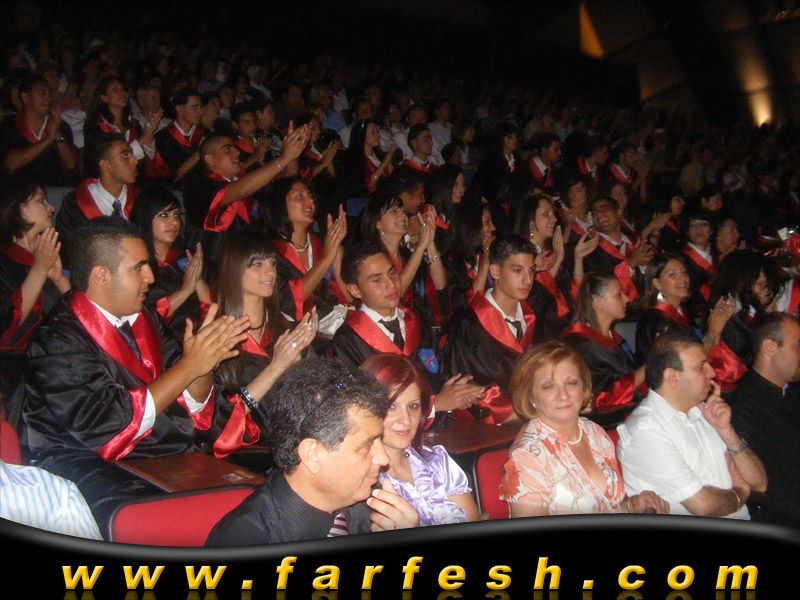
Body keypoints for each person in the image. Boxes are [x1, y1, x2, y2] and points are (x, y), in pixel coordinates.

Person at [206, 358, 420, 545]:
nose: (383, 458)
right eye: (366, 445)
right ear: (312, 455)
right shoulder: (249, 540)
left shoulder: (373, 508)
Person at [499, 341, 668, 516]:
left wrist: (632, 505)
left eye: (571, 383)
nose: (563, 395)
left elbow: (607, 507)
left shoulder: (594, 432)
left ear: (584, 388)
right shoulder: (527, 456)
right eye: (548, 386)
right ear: (531, 397)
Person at [617, 331, 767, 518]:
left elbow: (759, 483)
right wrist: (740, 494)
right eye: (701, 367)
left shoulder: (703, 413)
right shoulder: (646, 430)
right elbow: (702, 506)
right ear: (672, 377)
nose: (712, 373)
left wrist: (727, 433)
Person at [332, 242, 483, 414]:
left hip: (440, 424)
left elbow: (439, 371)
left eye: (392, 273)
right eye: (377, 280)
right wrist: (434, 406)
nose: (391, 284)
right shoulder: (347, 340)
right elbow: (357, 408)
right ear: (355, 290)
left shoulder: (416, 319)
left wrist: (457, 391)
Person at [211, 233, 318, 457]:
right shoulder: (218, 340)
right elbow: (221, 428)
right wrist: (276, 367)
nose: (270, 273)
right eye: (257, 265)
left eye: (272, 264)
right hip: (249, 458)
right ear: (234, 270)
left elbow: (317, 401)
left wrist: (298, 372)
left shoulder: (287, 332)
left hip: (300, 450)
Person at [360, 353, 480, 525]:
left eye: (413, 406)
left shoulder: (437, 462)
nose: (406, 420)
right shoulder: (361, 482)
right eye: (392, 406)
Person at [182, 125, 309, 275]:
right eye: (227, 149)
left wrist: (294, 152)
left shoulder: (247, 182)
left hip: (251, 262)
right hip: (213, 269)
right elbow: (240, 190)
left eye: (235, 148)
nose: (237, 152)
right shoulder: (199, 185)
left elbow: (288, 181)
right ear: (210, 160)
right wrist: (284, 158)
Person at [443, 235, 537, 423]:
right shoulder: (467, 324)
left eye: (531, 271)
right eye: (518, 271)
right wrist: (526, 413)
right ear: (495, 271)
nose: (527, 280)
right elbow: (465, 391)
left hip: (536, 417)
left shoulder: (533, 316)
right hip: (489, 428)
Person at [0, 181, 70, 422]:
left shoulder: (51, 257)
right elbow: (7, 328)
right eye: (41, 201)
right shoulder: (5, 263)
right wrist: (40, 268)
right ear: (19, 209)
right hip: (14, 382)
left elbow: (83, 319)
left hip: (55, 372)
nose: (51, 208)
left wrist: (60, 280)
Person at [729, 313, 800, 528]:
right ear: (769, 348)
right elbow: (765, 487)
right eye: (797, 347)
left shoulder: (791, 392)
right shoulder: (745, 406)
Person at [263, 176, 349, 326]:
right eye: (300, 197)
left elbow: (348, 297)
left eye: (310, 197)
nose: (310, 202)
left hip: (334, 323)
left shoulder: (323, 243)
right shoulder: (268, 251)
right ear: (280, 203)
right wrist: (326, 258)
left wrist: (337, 250)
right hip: (291, 329)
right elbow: (288, 301)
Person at [130, 185, 211, 342]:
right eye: (163, 215)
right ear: (146, 218)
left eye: (176, 215)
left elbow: (210, 306)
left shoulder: (185, 257)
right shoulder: (137, 266)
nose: (173, 222)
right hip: (164, 345)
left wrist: (196, 278)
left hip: (199, 337)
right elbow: (144, 320)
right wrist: (185, 290)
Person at [563, 272, 645, 411]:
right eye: (618, 294)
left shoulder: (614, 337)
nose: (626, 299)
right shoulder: (581, 344)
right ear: (598, 303)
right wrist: (648, 368)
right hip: (608, 418)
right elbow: (604, 397)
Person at [635, 253, 735, 367]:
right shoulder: (655, 319)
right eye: (672, 275)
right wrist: (712, 332)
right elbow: (685, 364)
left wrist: (718, 323)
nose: (683, 279)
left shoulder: (684, 313)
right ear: (657, 283)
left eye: (684, 272)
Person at [56, 134, 139, 268]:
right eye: (125, 156)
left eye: (132, 155)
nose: (135, 161)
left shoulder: (142, 200)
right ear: (105, 165)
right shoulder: (75, 204)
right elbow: (70, 251)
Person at [0, 73, 79, 185]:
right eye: (43, 94)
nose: (48, 99)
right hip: (18, 189)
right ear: (25, 97)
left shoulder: (60, 126)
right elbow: (10, 164)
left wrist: (57, 134)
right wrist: (48, 140)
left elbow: (72, 165)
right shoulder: (10, 125)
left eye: (49, 94)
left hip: (52, 189)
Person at [584, 196, 654, 303]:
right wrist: (631, 264)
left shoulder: (635, 241)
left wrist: (644, 266)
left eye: (605, 209)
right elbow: (598, 286)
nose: (599, 215)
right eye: (595, 212)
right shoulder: (589, 249)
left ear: (619, 213)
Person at [147, 89, 205, 182]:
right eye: (195, 108)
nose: (201, 112)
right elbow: (170, 176)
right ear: (180, 109)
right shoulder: (163, 138)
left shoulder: (204, 133)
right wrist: (199, 153)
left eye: (201, 107)